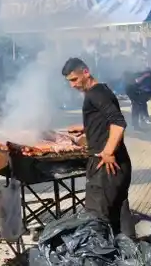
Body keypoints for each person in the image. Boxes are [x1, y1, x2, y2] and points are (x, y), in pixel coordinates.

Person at [62, 57, 134, 238]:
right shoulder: (103, 90)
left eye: (74, 80)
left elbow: (118, 123)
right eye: (69, 82)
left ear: (85, 72)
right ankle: (129, 255)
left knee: (97, 220)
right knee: (119, 215)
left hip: (106, 166)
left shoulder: (95, 93)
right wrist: (87, 128)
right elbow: (107, 119)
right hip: (119, 165)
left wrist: (108, 152)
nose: (72, 85)